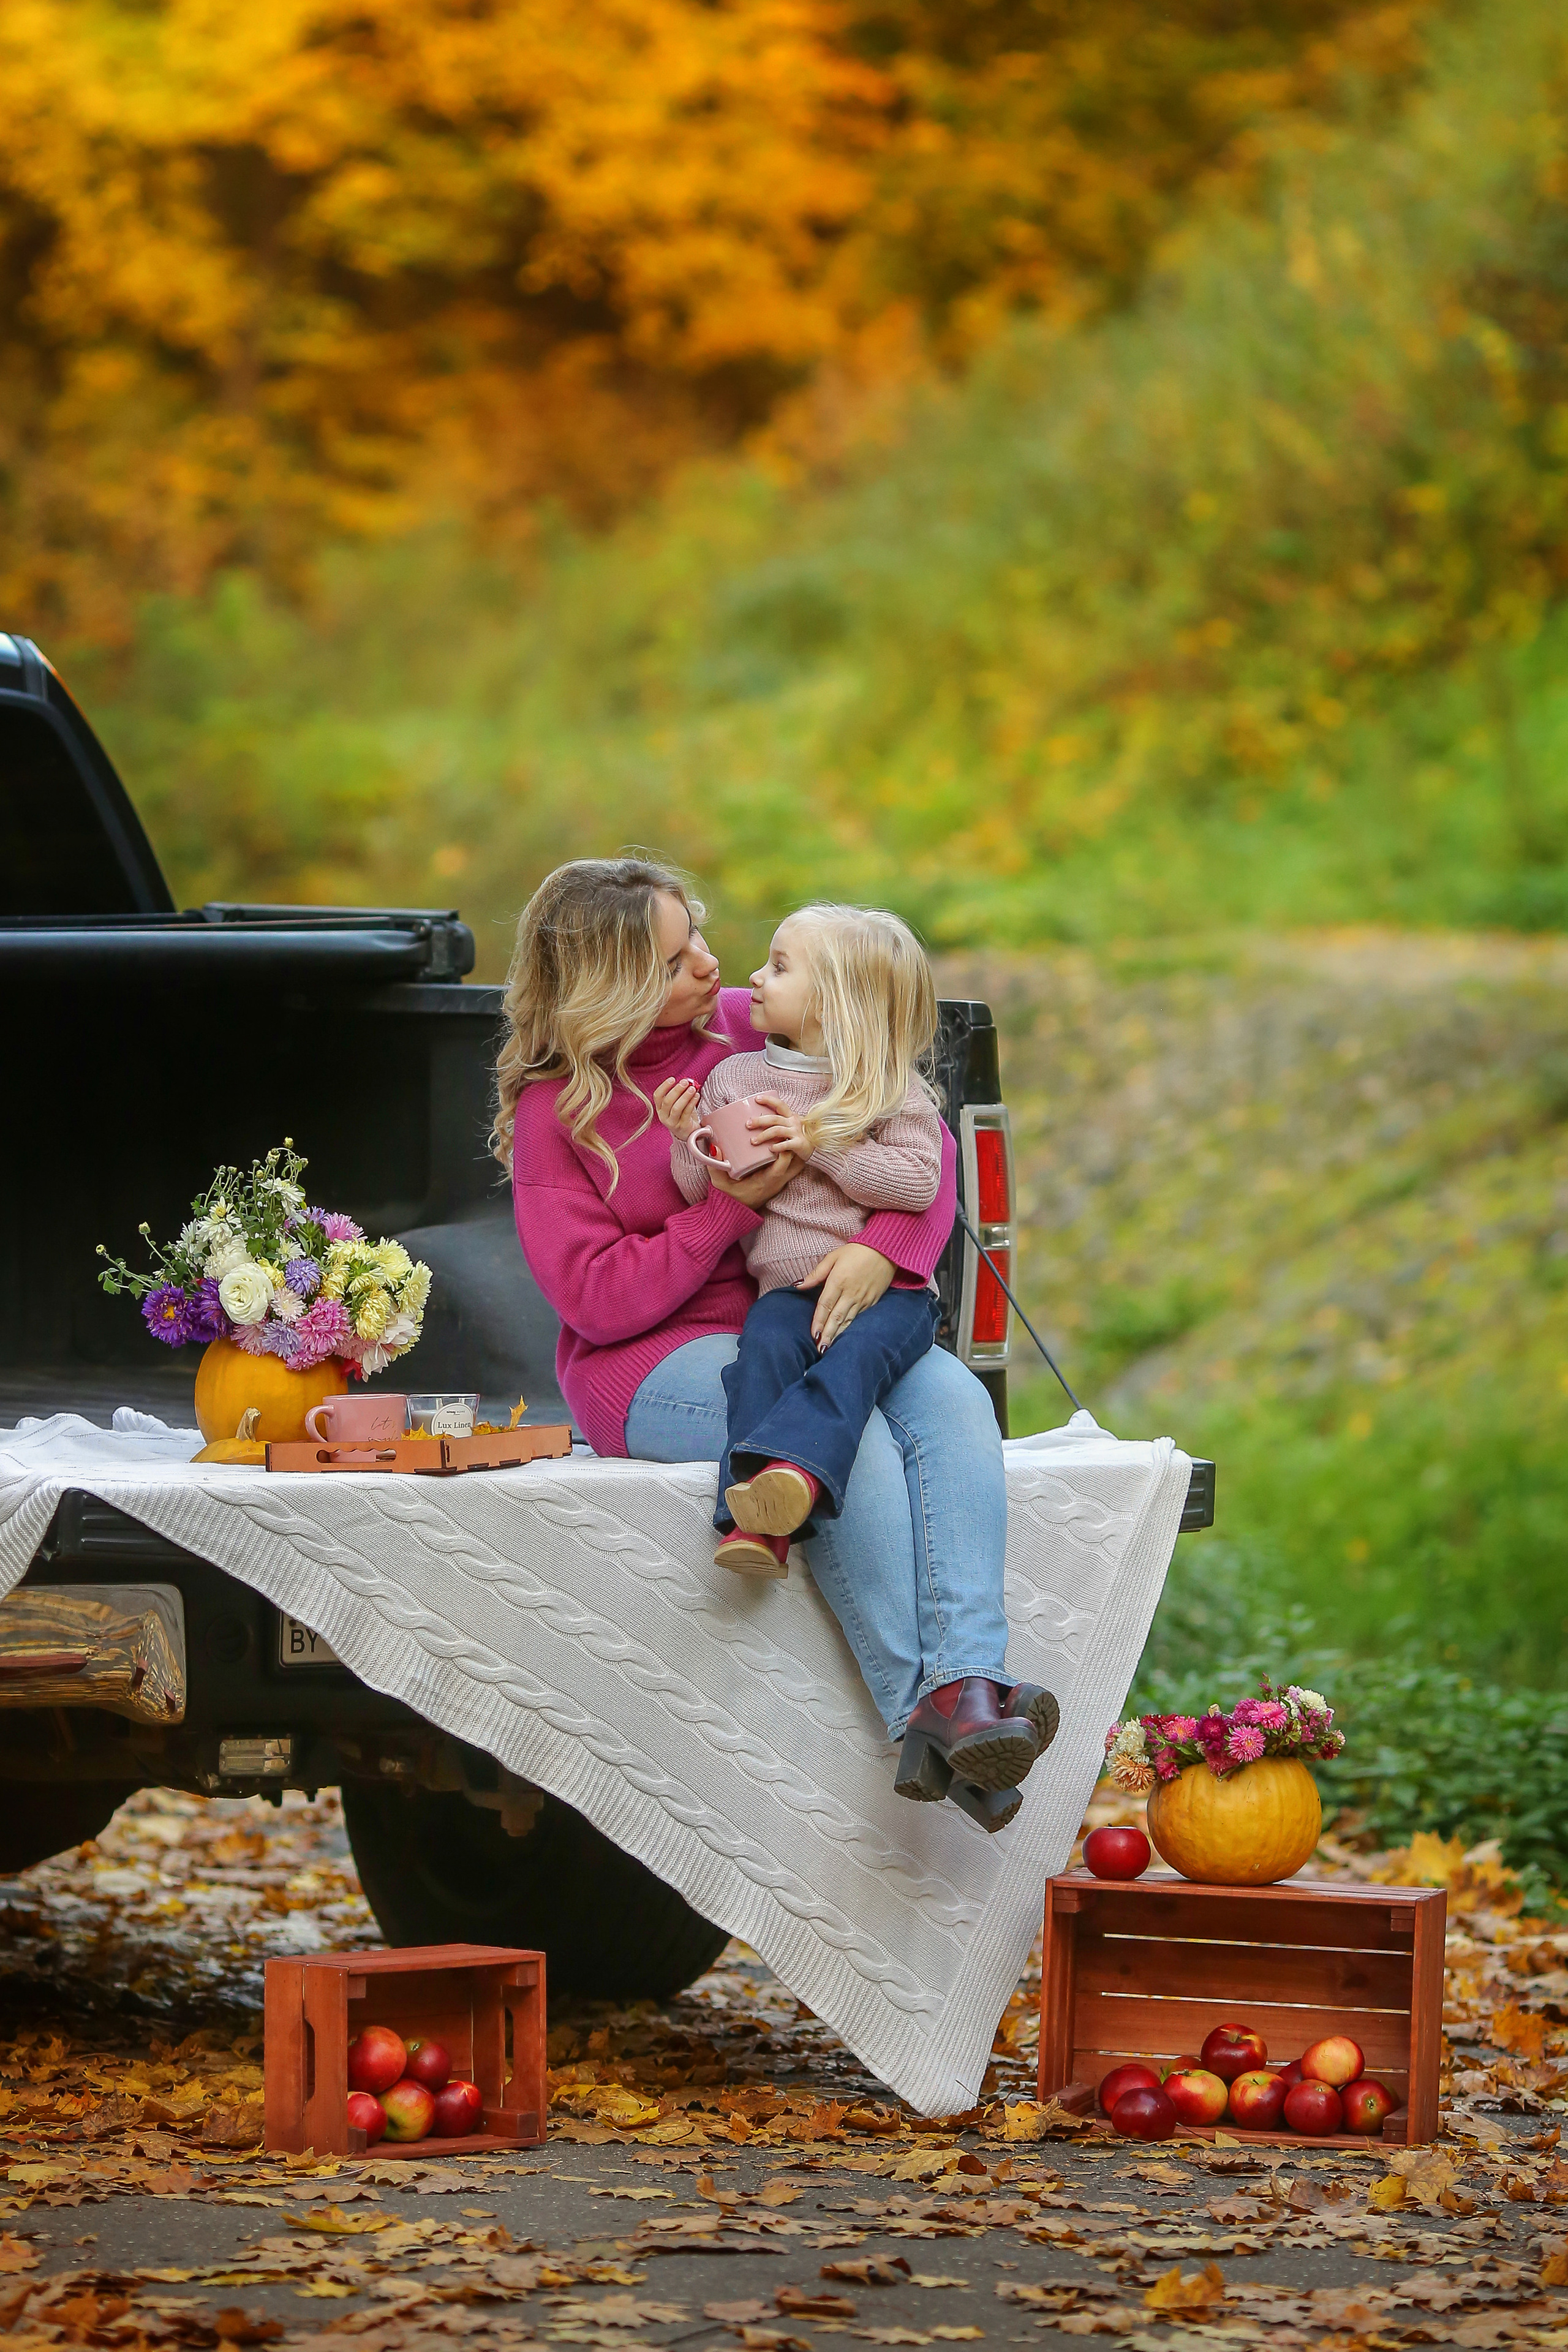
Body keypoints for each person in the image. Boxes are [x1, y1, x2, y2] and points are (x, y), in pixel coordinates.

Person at [495, 856, 1058, 1828]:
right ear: (608, 987)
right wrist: (726, 1210)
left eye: (700, 938)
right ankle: (921, 1704)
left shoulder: (754, 1030)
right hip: (655, 1357)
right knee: (845, 1436)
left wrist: (885, 1254)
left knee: (957, 1402)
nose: (712, 966)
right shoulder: (559, 1114)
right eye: (675, 962)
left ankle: (970, 1683)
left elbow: (922, 1153)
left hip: (820, 1309)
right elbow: (596, 1301)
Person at [659, 903, 943, 1583]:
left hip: (891, 1298)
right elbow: (707, 1190)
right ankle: (756, 1531)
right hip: (785, 1292)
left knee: (849, 1369)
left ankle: (793, 1481)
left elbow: (918, 1183)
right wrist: (687, 1140)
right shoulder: (737, 1079)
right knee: (759, 1359)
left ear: (835, 1002)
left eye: (780, 967)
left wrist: (823, 1146)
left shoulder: (886, 1087)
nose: (755, 977)